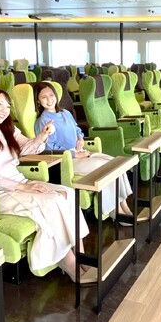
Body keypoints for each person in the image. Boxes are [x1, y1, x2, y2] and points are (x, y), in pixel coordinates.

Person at [0, 88, 94, 283]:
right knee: (52, 202)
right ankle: (69, 263)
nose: (4, 110)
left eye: (7, 106)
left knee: (68, 193)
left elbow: (28, 147)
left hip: (19, 183)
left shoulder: (8, 130)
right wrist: (22, 187)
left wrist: (42, 135)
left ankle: (81, 254)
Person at [34, 82, 133, 221]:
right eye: (44, 97)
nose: (49, 100)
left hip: (80, 151)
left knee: (115, 163)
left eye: (51, 95)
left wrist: (80, 137)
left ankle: (124, 206)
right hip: (66, 160)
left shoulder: (65, 113)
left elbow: (77, 129)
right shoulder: (42, 122)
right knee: (105, 168)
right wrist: (75, 154)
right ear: (38, 101)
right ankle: (115, 211)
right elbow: (48, 150)